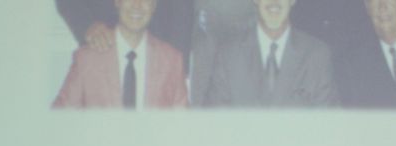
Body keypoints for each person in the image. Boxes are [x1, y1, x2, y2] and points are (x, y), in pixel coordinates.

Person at [200, 0, 338, 108]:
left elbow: (329, 126)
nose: (274, 1)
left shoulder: (317, 56)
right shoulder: (228, 56)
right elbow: (213, 125)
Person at [53, 0, 188, 109]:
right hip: (103, 45)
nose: (137, 4)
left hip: (159, 53)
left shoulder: (172, 61)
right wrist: (86, 25)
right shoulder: (87, 61)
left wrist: (175, 68)